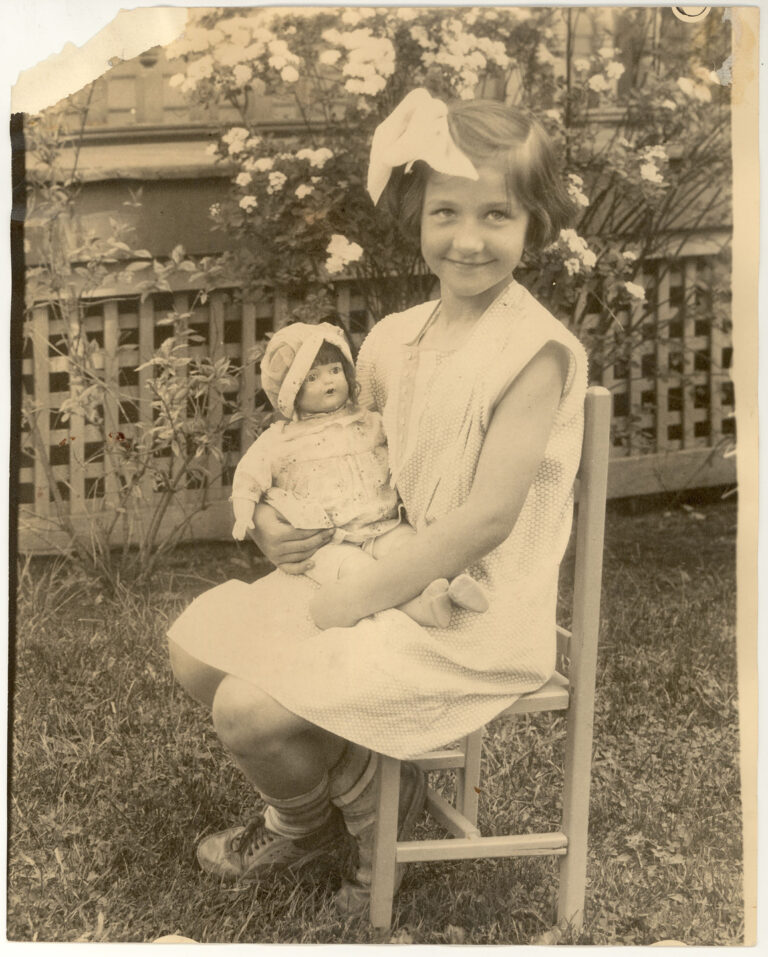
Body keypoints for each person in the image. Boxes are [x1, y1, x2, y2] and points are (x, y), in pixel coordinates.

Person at [167, 88, 588, 915]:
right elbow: (349, 456)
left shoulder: (534, 350)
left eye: (496, 215)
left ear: (534, 223)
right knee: (196, 650)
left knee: (247, 710)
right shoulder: (396, 336)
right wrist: (281, 527)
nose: (468, 239)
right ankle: (326, 815)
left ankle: (357, 823)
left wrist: (358, 594)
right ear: (416, 215)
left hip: (466, 608)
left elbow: (487, 518)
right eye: (446, 212)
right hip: (377, 563)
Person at [230, 320, 489, 628]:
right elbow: (249, 476)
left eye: (335, 370)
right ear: (291, 392)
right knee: (361, 573)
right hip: (329, 542)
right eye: (312, 377)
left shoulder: (371, 422)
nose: (328, 380)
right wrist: (245, 514)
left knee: (412, 551)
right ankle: (421, 607)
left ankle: (455, 585)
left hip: (384, 524)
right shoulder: (280, 439)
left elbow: (407, 441)